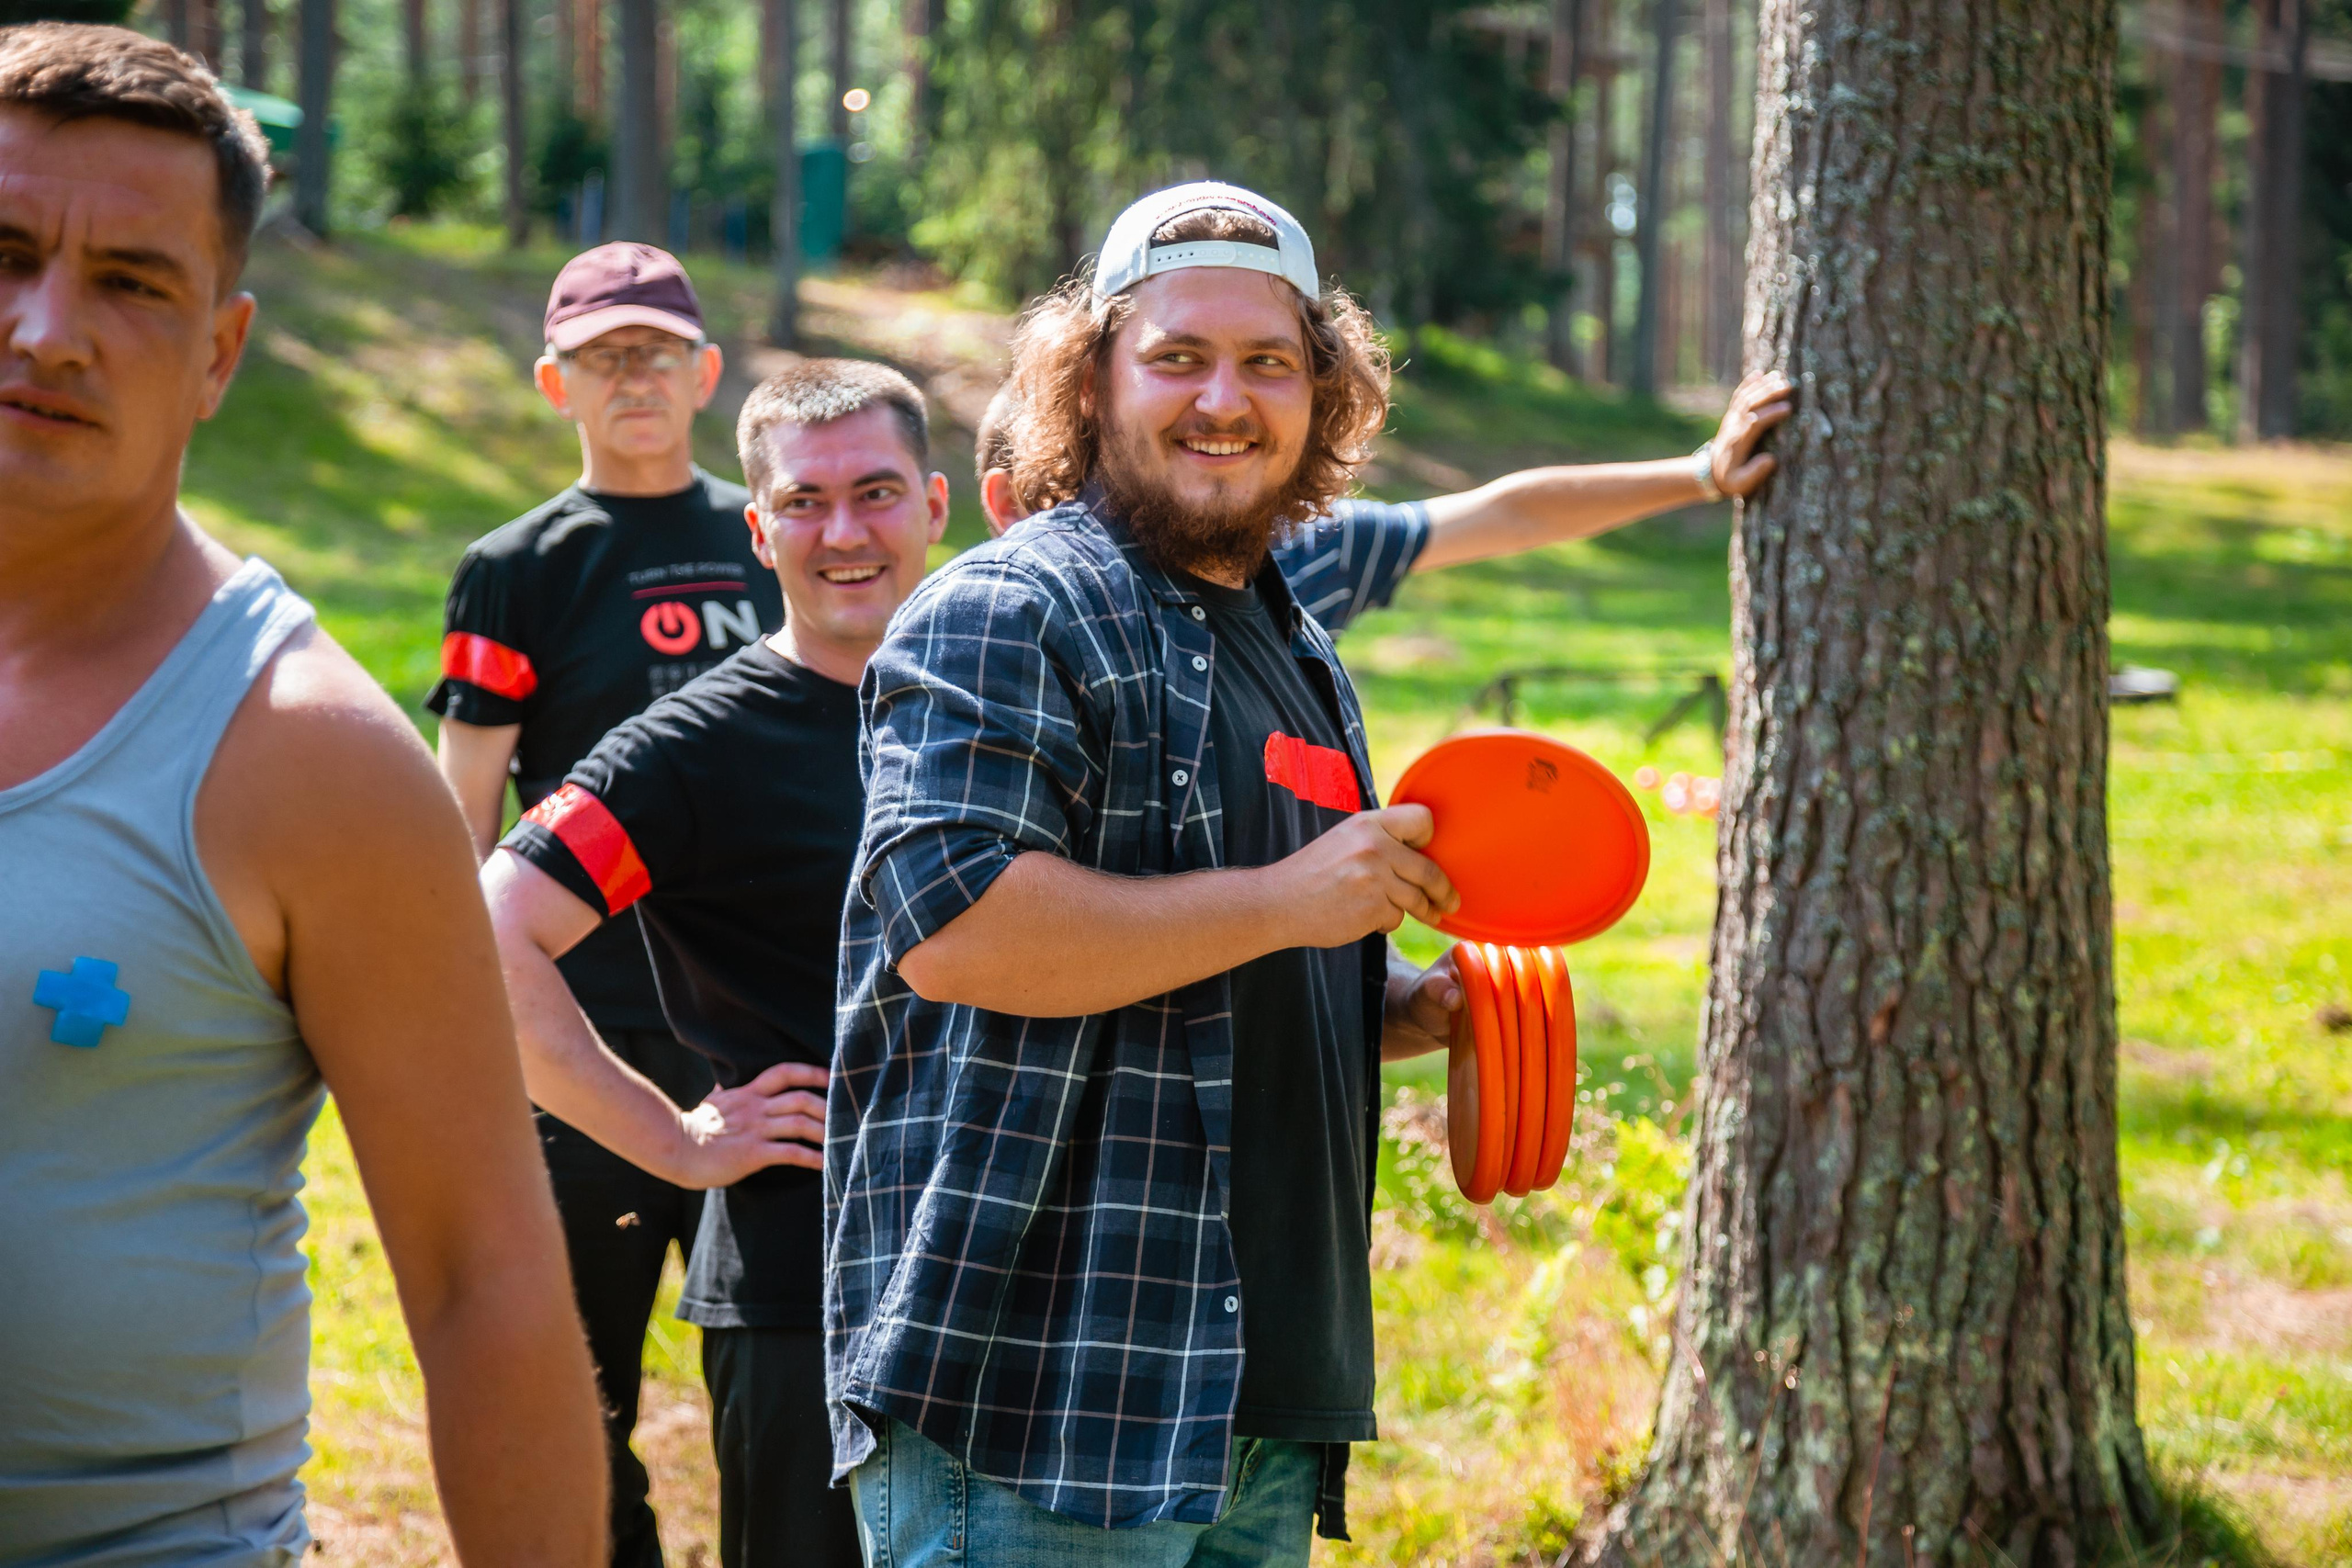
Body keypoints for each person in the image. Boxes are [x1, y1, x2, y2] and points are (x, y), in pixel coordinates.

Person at [0, 24, 604, 1566]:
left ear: (219, 352)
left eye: (132, 282)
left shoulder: (304, 752)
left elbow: (488, 1283)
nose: (48, 329)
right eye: (2, 252)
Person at [823, 180, 1469, 1563]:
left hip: (1261, 1398)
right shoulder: (1013, 606)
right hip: (1043, 1407)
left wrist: (1408, 1002)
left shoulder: (1296, 648)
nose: (1222, 398)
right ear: (1090, 379)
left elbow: (1226, 957)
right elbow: (963, 932)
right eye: (1175, 355)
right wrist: (1300, 899)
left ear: (1325, 395)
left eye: (1268, 362)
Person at [479, 360, 946, 1568]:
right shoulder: (690, 748)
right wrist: (675, 1140)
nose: (842, 532)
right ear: (758, 526)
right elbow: (491, 932)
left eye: (877, 492)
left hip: (1030, 1282)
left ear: (939, 505)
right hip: (810, 1295)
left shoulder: (1008, 700)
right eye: (803, 501)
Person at [426, 242, 781, 1568]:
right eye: (599, 357)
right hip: (583, 1047)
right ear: (553, 383)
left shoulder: (778, 525)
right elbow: (462, 823)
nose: (631, 378)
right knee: (582, 1395)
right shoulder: (517, 567)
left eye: (654, 352)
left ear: (705, 372)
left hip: (780, 1039)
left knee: (797, 1397)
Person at [972, 372, 1792, 637]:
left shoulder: (1289, 560)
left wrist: (1700, 476)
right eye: (1075, 481)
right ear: (1007, 506)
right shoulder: (985, 635)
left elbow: (1508, 515)